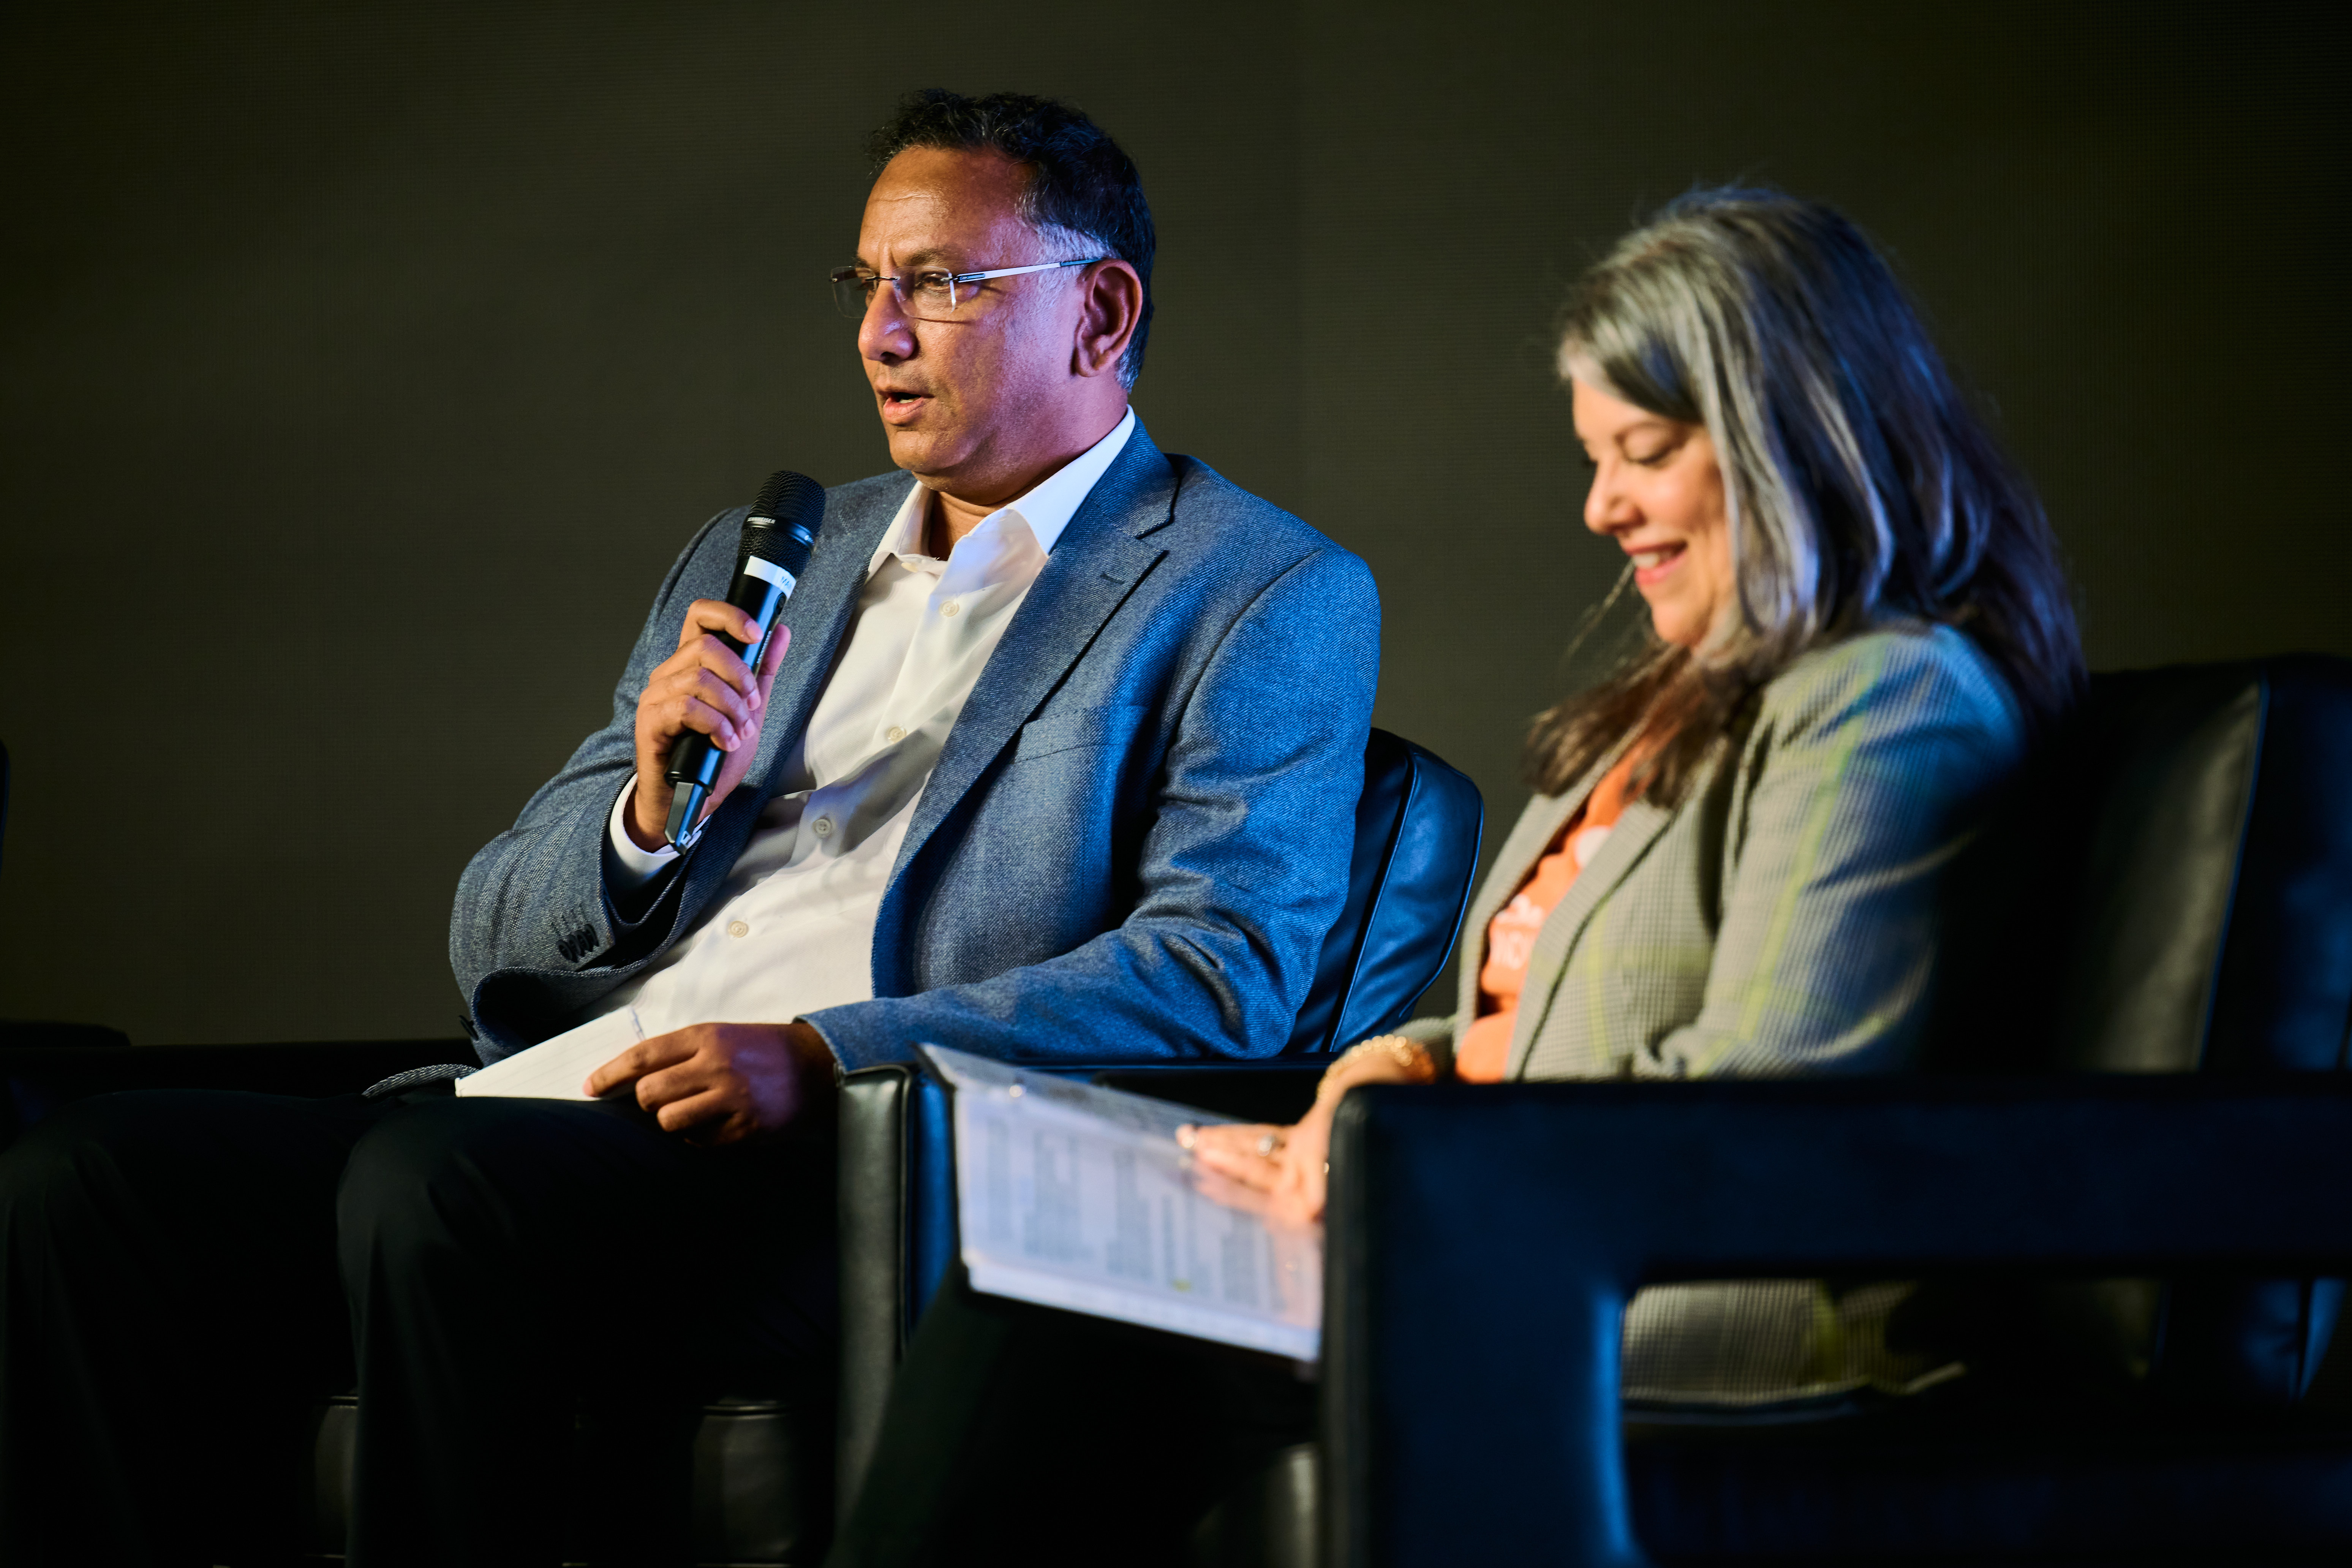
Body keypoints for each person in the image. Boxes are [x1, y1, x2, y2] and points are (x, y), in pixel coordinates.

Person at [0, 91, 1378, 1566]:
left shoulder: (1255, 589)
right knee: (85, 1180)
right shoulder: (772, 554)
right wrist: (647, 819)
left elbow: (1223, 970)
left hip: (843, 1167)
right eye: (868, 285)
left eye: (942, 283)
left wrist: (830, 1056)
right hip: (565, 1107)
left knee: (433, 1192)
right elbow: (490, 928)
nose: (880, 334)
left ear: (1101, 312)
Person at [825, 188, 2083, 1565]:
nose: (1604, 508)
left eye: (1645, 454)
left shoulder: (1887, 705)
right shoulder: (1686, 705)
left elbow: (1761, 1115)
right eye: (1597, 457)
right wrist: (1407, 1069)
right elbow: (1543, 1024)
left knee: (1054, 1332)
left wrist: (1393, 1174)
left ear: (1796, 441)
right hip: (1519, 1253)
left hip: (1674, 1313)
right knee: (1037, 1288)